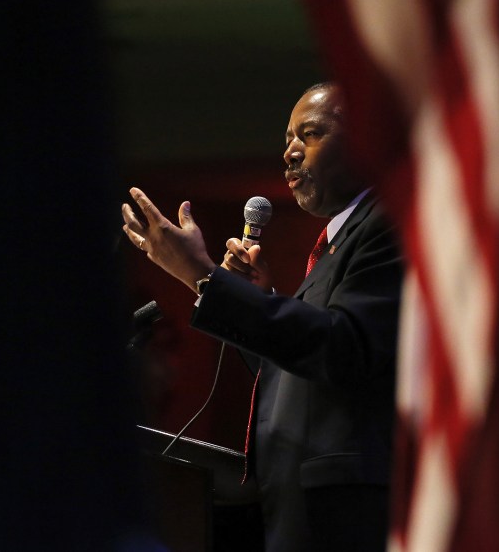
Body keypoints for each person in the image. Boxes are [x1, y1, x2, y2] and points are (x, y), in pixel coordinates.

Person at [121, 82, 403, 550]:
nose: (290, 153)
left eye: (309, 134)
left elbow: (342, 347)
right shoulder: (337, 246)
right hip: (297, 512)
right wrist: (252, 296)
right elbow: (300, 373)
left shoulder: (384, 225)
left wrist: (203, 275)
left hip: (344, 519)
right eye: (287, 140)